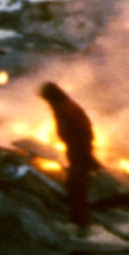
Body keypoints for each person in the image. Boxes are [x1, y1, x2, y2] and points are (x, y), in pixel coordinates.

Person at [39, 81, 100, 231]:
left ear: (52, 97)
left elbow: (85, 133)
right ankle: (77, 220)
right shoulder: (60, 107)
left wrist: (87, 156)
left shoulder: (69, 109)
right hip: (74, 150)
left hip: (80, 151)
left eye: (47, 99)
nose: (47, 103)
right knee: (73, 186)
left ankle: (83, 224)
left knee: (78, 187)